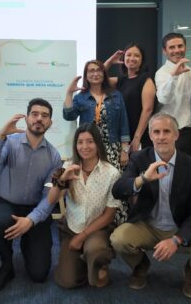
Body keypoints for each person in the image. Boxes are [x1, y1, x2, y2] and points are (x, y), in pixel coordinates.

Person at [110, 112, 191, 299]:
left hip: (181, 227)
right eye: (157, 132)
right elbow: (118, 190)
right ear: (150, 135)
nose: (161, 137)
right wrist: (143, 179)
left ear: (176, 135)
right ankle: (140, 265)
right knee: (118, 239)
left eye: (167, 131)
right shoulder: (139, 159)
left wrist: (176, 239)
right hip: (148, 226)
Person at [0, 98, 63, 291]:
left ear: (50, 123)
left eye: (44, 116)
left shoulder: (54, 156)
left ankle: (29, 243)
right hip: (7, 204)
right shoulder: (9, 142)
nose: (39, 119)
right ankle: (6, 265)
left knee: (39, 275)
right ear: (27, 119)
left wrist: (31, 220)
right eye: (34, 114)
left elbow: (48, 197)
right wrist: (1, 134)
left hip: (36, 209)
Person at [48, 123, 121, 289]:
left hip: (98, 228)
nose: (85, 146)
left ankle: (98, 261)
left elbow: (109, 215)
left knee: (96, 253)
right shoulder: (68, 167)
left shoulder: (112, 173)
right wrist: (62, 180)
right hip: (72, 227)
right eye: (80, 142)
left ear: (98, 143)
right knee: (67, 282)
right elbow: (51, 200)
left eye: (90, 141)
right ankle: (85, 262)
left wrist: (82, 237)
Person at [64, 60, 131, 224]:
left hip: (112, 148)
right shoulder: (81, 97)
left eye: (99, 70)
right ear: (86, 76)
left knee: (115, 186)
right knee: (94, 186)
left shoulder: (116, 95)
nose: (95, 73)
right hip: (90, 149)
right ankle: (94, 223)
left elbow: (124, 123)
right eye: (91, 71)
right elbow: (69, 115)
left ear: (104, 73)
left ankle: (117, 223)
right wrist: (69, 93)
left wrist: (125, 150)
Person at [104, 43, 156, 152]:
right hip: (123, 135)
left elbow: (148, 110)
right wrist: (110, 62)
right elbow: (96, 78)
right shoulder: (121, 80)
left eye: (137, 55)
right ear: (123, 58)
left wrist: (137, 138)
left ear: (142, 60)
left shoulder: (146, 79)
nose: (132, 58)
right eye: (128, 55)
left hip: (140, 135)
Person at [155, 33, 191, 157]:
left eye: (180, 46)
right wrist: (174, 76)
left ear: (185, 48)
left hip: (189, 133)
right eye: (172, 47)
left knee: (189, 167)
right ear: (164, 51)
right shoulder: (162, 73)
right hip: (168, 133)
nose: (177, 50)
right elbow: (164, 99)